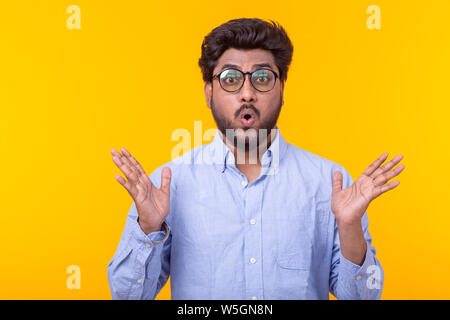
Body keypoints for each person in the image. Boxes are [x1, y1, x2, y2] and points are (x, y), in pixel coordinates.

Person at [107, 18, 404, 300]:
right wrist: (147, 227)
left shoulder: (330, 182)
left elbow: (363, 296)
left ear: (282, 89)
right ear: (209, 92)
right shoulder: (167, 185)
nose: (247, 93)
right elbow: (127, 295)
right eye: (230, 78)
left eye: (262, 77)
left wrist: (350, 227)